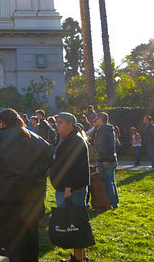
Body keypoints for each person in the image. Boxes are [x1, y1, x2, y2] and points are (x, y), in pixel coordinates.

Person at [0, 109, 53, 262]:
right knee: (30, 241)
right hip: (31, 200)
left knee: (13, 245)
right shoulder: (35, 139)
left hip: (5, 201)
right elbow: (49, 158)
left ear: (1, 123)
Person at [51, 112, 91, 262]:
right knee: (76, 222)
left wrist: (68, 186)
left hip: (72, 189)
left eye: (60, 122)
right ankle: (80, 256)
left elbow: (73, 166)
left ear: (70, 124)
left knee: (75, 223)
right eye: (57, 122)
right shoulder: (69, 138)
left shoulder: (74, 140)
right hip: (70, 187)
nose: (57, 125)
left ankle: (79, 259)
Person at [92, 112, 119, 209]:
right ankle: (114, 202)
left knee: (107, 182)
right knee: (111, 181)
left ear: (101, 119)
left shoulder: (102, 130)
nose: (95, 119)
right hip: (112, 159)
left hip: (105, 160)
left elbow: (102, 146)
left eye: (97, 118)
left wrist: (104, 160)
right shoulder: (110, 129)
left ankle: (111, 203)